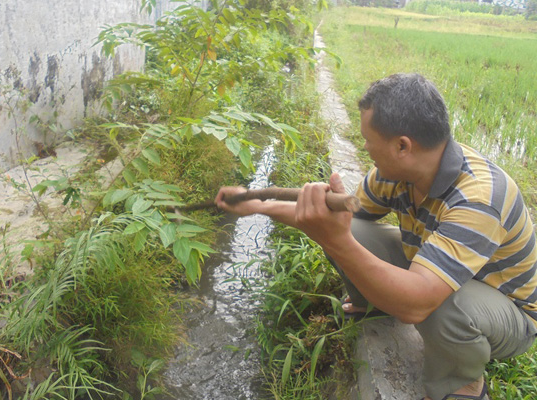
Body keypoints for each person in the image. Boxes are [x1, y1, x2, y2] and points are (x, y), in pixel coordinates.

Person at [215, 73, 537, 400]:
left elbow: (419, 304)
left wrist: (336, 241)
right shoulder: (395, 174)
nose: (365, 147)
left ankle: (461, 384)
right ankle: (373, 303)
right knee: (351, 228)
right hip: (435, 269)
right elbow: (335, 220)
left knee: (440, 304)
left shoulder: (479, 199)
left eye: (368, 139)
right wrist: (258, 206)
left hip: (509, 312)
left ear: (402, 146)